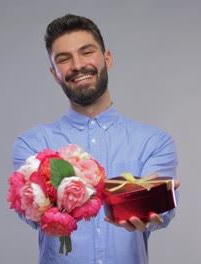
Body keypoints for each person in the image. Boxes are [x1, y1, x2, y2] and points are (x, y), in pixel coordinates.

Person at [12, 14, 180, 264]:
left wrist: (153, 206)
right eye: (64, 59)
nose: (78, 65)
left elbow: (158, 210)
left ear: (107, 59)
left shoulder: (154, 142)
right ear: (54, 74)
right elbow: (33, 213)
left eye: (86, 52)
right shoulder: (32, 144)